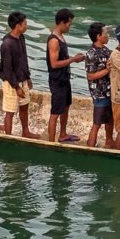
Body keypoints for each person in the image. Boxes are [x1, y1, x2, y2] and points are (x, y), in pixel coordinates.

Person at [46, 8, 85, 143]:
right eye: (69, 24)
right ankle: (51, 141)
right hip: (57, 80)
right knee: (55, 112)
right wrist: (73, 60)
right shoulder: (54, 40)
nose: (70, 26)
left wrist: (73, 58)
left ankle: (63, 133)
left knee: (66, 106)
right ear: (61, 23)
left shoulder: (61, 37)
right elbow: (54, 63)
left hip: (65, 78)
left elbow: (63, 58)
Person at [0, 11, 39, 138]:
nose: (26, 26)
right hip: (11, 82)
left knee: (24, 106)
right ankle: (8, 136)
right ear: (18, 25)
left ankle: (25, 131)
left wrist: (28, 77)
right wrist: (16, 87)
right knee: (10, 111)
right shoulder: (7, 44)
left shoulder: (21, 38)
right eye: (25, 24)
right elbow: (7, 69)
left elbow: (24, 59)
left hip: (22, 78)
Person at [85, 22, 114, 149]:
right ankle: (90, 145)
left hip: (109, 91)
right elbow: (91, 76)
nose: (108, 36)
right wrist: (107, 70)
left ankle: (109, 140)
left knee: (109, 119)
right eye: (105, 33)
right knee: (97, 122)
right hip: (99, 93)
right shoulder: (91, 53)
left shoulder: (106, 51)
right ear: (98, 36)